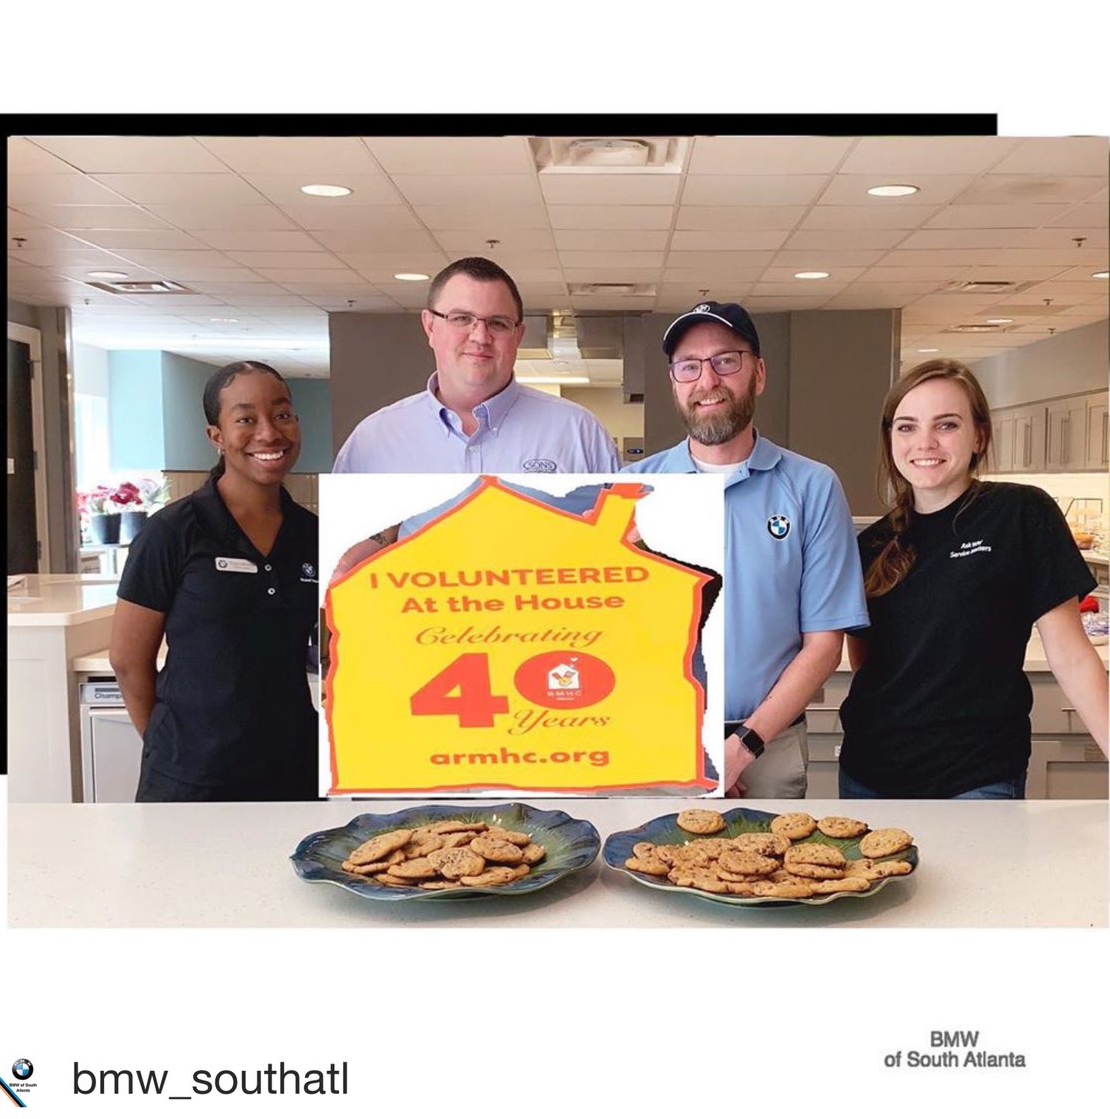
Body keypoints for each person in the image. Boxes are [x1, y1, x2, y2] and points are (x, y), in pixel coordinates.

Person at [623, 301, 868, 798]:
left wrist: (741, 748)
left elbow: (824, 645)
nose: (707, 379)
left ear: (758, 374)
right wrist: (686, 746)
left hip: (769, 748)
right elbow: (619, 636)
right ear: (674, 381)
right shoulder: (630, 489)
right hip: (659, 744)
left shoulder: (812, 487)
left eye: (726, 360)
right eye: (689, 366)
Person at [838, 359, 1108, 798]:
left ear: (979, 435)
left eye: (946, 425)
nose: (925, 442)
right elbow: (866, 664)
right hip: (871, 775)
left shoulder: (1021, 513)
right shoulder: (872, 544)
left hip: (976, 777)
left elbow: (1072, 657)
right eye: (906, 427)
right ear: (890, 439)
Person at [109, 361, 320, 802]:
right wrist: (172, 748)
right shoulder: (172, 532)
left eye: (282, 414)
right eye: (245, 419)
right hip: (191, 781)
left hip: (293, 772)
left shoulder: (312, 534)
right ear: (216, 436)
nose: (269, 433)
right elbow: (128, 661)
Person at [332, 256, 620, 475]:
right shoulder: (372, 441)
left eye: (498, 323)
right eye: (461, 319)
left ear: (518, 335)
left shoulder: (579, 433)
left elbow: (623, 535)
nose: (480, 337)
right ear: (430, 326)